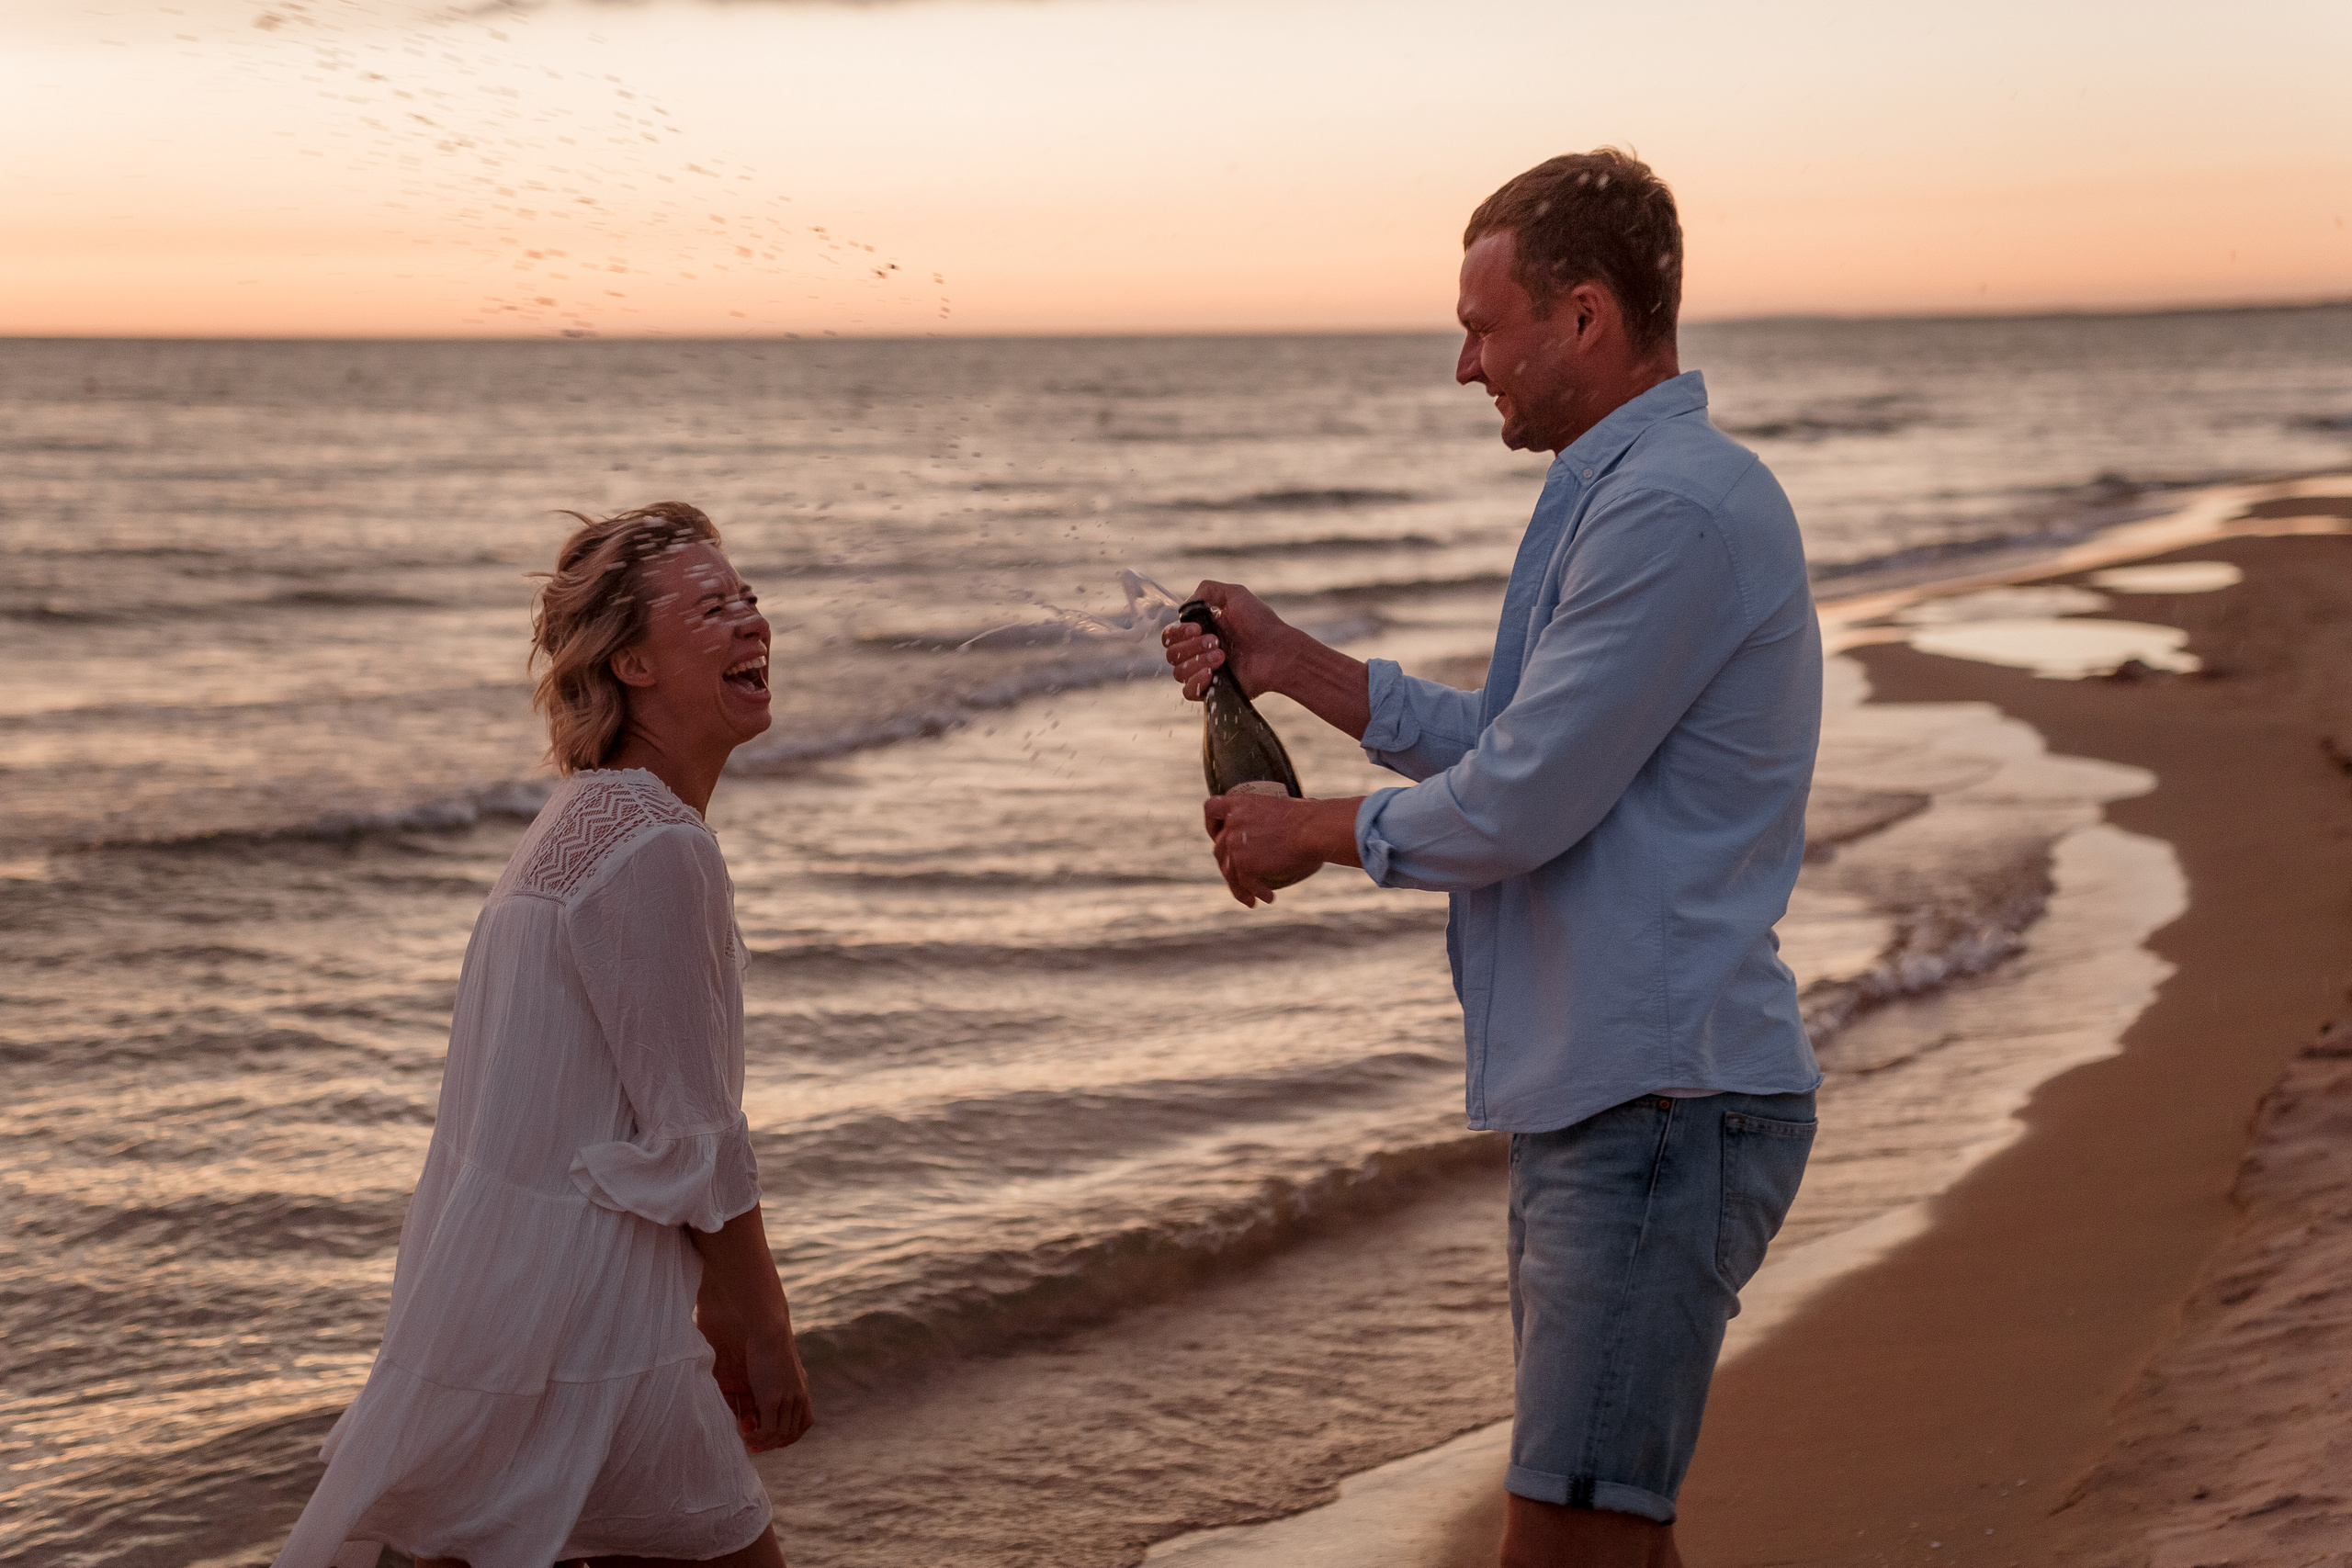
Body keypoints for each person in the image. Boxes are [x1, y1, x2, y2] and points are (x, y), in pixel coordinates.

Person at [1160, 151, 1822, 1568]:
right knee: (1604, 1530)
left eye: (1483, 324)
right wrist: (1292, 665)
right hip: (1626, 1091)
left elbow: (1523, 799)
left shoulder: (1672, 509)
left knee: (1566, 1534)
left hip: (1663, 1095)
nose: (1467, 365)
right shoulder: (1625, 492)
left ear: (1582, 316)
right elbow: (1523, 743)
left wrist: (1313, 832)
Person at [275, 502, 813, 1568]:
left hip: (506, 1301)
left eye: (749, 597)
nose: (752, 621)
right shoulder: (654, 843)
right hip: (589, 1321)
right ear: (631, 665)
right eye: (712, 607)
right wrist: (767, 1329)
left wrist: (705, 1305)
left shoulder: (578, 824)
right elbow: (696, 1137)